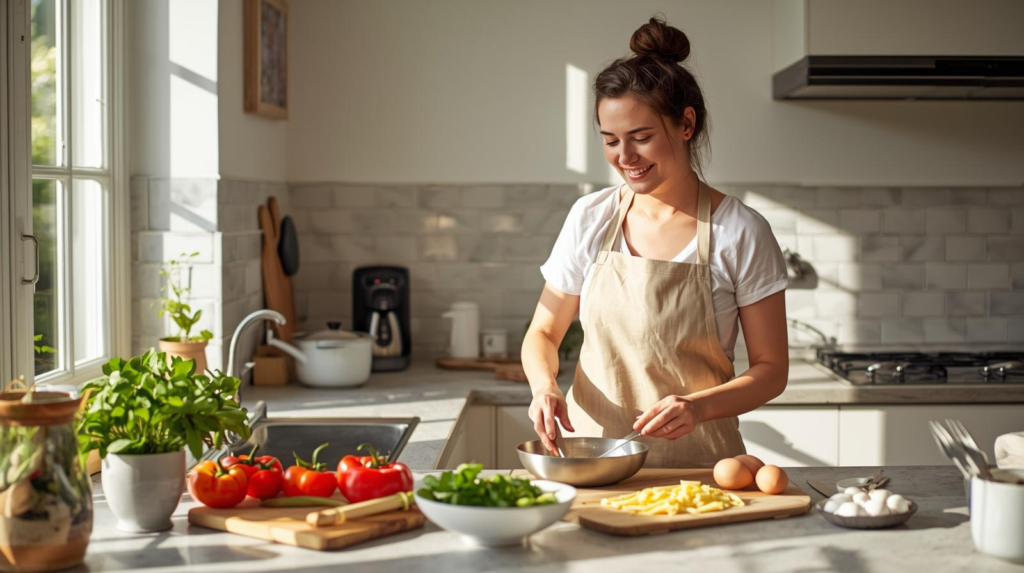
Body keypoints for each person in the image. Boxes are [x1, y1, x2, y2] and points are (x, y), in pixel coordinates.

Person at [521, 16, 790, 468]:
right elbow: (544, 332)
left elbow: (771, 372)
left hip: (702, 468)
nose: (625, 158)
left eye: (641, 138)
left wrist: (698, 407)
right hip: (593, 462)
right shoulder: (591, 217)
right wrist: (543, 386)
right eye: (611, 141)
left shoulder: (740, 231)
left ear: (686, 124)